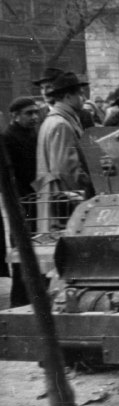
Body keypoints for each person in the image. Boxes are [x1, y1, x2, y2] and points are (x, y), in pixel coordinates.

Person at [34, 72, 95, 232]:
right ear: (68, 97)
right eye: (80, 94)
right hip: (64, 205)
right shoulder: (61, 124)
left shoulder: (54, 120)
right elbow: (68, 170)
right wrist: (90, 183)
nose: (83, 98)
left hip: (55, 199)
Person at [3, 97, 42, 305]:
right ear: (15, 116)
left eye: (36, 112)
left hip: (35, 200)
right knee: (22, 251)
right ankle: (19, 301)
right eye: (29, 113)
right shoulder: (7, 138)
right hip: (21, 202)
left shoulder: (33, 134)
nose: (34, 117)